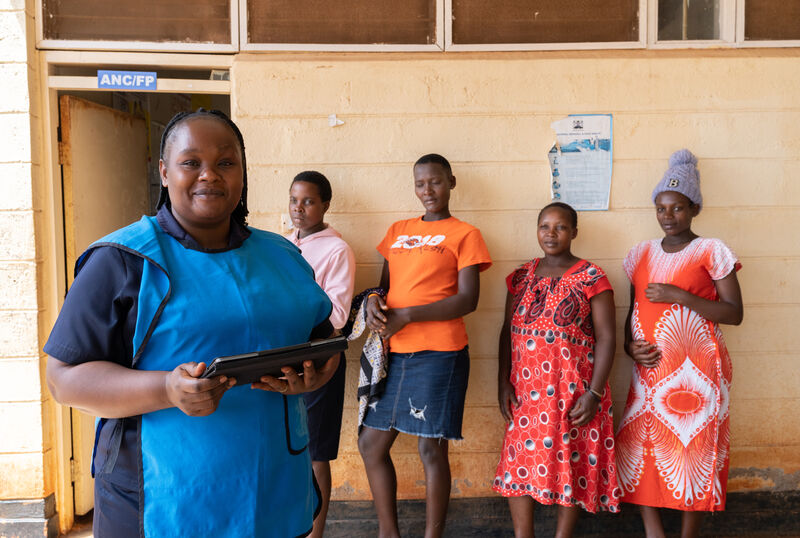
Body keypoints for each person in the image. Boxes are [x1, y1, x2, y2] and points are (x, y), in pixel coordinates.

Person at [44, 109, 340, 538]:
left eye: (225, 162)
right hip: (165, 500)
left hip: (276, 489)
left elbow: (323, 344)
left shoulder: (282, 256)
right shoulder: (123, 260)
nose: (210, 175)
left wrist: (313, 376)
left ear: (242, 172)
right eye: (191, 162)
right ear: (165, 172)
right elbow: (64, 379)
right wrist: (167, 388)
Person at [358, 154, 492, 538]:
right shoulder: (398, 230)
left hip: (440, 354)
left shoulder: (466, 234)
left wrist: (408, 315)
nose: (428, 190)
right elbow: (385, 288)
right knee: (371, 444)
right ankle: (389, 533)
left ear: (451, 182)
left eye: (435, 181)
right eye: (420, 183)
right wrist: (373, 301)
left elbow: (468, 300)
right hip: (393, 353)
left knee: (430, 449)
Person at [615, 149, 743, 538]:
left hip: (698, 375)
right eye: (661, 208)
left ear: (694, 209)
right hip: (651, 374)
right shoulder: (640, 253)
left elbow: (734, 312)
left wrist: (680, 295)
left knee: (694, 453)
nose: (668, 216)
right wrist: (629, 346)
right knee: (640, 449)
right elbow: (633, 311)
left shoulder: (712, 250)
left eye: (678, 208)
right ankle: (654, 532)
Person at [493, 202, 621, 538]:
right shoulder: (521, 277)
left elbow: (607, 338)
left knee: (570, 463)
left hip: (574, 393)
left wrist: (594, 393)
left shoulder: (592, 277)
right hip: (525, 393)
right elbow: (507, 331)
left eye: (560, 227)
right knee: (519, 462)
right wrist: (503, 382)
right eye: (544, 226)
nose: (551, 234)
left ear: (574, 232)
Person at [286, 170, 356, 537]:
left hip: (319, 357)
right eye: (294, 200)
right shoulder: (281, 245)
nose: (299, 208)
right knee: (287, 445)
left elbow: (338, 315)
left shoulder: (336, 250)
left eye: (309, 201)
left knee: (315, 452)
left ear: (325, 205)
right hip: (283, 357)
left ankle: (316, 533)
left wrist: (293, 312)